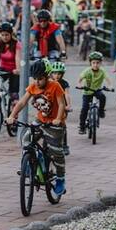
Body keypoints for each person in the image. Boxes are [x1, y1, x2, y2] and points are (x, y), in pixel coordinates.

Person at [6, 59, 68, 195]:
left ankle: (60, 179)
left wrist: (58, 119)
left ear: (47, 76)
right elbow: (22, 102)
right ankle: (29, 164)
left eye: (40, 79)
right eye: (35, 79)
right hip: (40, 120)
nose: (37, 82)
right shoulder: (33, 87)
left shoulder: (55, 86)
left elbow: (62, 104)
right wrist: (12, 115)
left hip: (54, 123)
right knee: (26, 139)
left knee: (56, 152)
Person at [77, 51, 112, 134]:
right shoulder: (87, 71)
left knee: (103, 97)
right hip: (87, 91)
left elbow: (108, 79)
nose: (95, 65)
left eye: (98, 63)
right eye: (93, 63)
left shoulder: (102, 71)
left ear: (100, 63)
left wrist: (110, 86)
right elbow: (80, 79)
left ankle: (101, 111)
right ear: (90, 63)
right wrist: (79, 85)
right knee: (84, 109)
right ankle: (82, 127)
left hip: (97, 90)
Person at [0, 21, 21, 103]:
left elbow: (18, 58)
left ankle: (13, 110)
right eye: (2, 35)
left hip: (14, 70)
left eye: (7, 35)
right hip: (2, 69)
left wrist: (18, 69)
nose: (4, 37)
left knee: (14, 94)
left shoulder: (17, 44)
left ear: (11, 34)